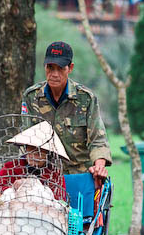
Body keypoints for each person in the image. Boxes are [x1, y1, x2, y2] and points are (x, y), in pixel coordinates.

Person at [21, 41, 112, 179]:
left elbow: (98, 140)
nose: (54, 74)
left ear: (70, 68)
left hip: (80, 175)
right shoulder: (31, 97)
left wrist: (99, 166)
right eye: (50, 68)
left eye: (61, 68)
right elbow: (25, 138)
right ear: (45, 67)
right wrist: (32, 156)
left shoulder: (86, 98)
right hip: (44, 176)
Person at [0, 120, 68, 201]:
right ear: (26, 150)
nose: (35, 156)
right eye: (31, 151)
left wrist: (35, 187)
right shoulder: (10, 168)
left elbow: (60, 199)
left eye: (40, 153)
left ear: (48, 155)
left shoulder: (55, 174)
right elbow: (0, 191)